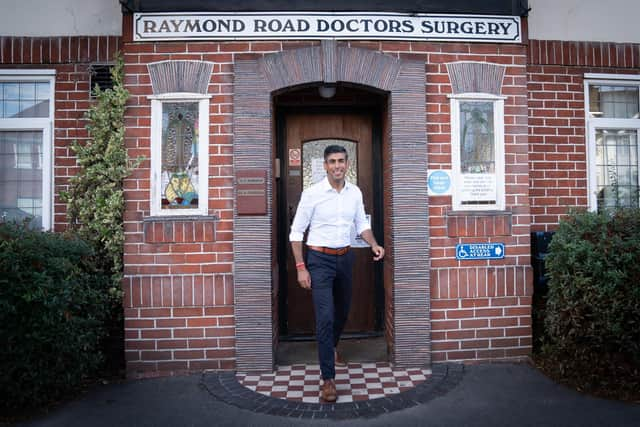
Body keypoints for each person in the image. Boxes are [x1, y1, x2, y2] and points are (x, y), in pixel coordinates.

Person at [289, 144, 385, 403]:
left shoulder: (354, 192)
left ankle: (330, 347)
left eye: (341, 161)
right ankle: (328, 379)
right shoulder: (312, 194)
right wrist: (301, 267)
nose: (337, 165)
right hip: (318, 259)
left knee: (342, 312)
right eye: (332, 161)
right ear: (325, 165)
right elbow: (296, 232)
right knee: (325, 317)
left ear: (347, 163)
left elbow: (361, 224)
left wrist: (373, 242)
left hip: (345, 258)